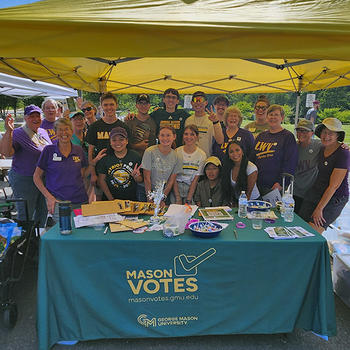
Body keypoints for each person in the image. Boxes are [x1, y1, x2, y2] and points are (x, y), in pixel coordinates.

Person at [33, 118, 96, 222]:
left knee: (80, 232)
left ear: (71, 131)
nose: (64, 133)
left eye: (67, 129)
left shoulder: (78, 150)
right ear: (55, 132)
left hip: (79, 200)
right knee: (63, 231)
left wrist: (94, 163)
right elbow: (36, 177)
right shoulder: (48, 151)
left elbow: (83, 175)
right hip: (58, 202)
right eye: (60, 130)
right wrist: (49, 197)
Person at [0, 105, 51, 226]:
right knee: (26, 214)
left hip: (43, 179)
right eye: (31, 116)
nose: (35, 119)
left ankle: (37, 241)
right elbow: (6, 152)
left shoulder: (43, 131)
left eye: (37, 116)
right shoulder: (18, 133)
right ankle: (23, 241)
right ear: (25, 118)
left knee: (43, 212)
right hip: (25, 179)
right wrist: (9, 131)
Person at [300, 118, 349, 234]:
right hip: (316, 192)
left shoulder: (343, 153)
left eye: (331, 133)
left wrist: (319, 209)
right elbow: (305, 144)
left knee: (311, 232)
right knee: (299, 224)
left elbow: (334, 186)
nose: (326, 136)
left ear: (338, 136)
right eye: (324, 132)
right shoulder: (321, 147)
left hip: (334, 197)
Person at [87, 92, 129, 197]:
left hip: (119, 172)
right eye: (105, 105)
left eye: (111, 104)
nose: (109, 107)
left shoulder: (123, 126)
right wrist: (92, 173)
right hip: (100, 171)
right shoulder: (95, 127)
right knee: (101, 203)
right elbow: (90, 152)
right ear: (101, 107)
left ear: (116, 105)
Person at [250, 104, 298, 195]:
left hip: (275, 186)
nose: (273, 117)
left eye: (276, 115)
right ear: (267, 117)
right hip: (257, 184)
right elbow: (252, 159)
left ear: (282, 117)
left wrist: (280, 183)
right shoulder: (261, 136)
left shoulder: (287, 136)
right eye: (270, 115)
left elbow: (291, 162)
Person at [97, 127, 143, 201]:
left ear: (127, 141)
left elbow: (140, 180)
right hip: (109, 199)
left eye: (121, 139)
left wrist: (136, 177)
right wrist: (111, 199)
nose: (117, 143)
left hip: (130, 199)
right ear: (110, 142)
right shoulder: (105, 157)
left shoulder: (135, 156)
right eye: (114, 140)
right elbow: (101, 180)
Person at [142, 126, 182, 207]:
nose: (165, 138)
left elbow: (171, 180)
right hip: (146, 191)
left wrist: (162, 198)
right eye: (162, 135)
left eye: (168, 135)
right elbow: (147, 178)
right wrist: (149, 198)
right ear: (158, 137)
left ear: (174, 137)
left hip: (163, 194)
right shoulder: (149, 152)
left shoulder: (177, 156)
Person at [172, 125, 206, 204]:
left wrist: (189, 199)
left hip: (191, 188)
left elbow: (196, 179)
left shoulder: (202, 155)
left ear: (197, 137)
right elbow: (173, 176)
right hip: (176, 187)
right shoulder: (177, 152)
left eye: (192, 134)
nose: (188, 137)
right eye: (186, 134)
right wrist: (177, 197)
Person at [293, 119, 322, 214]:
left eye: (305, 131)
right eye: (299, 130)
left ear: (312, 133)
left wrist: (343, 146)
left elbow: (335, 148)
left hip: (310, 194)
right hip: (295, 192)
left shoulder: (318, 146)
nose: (301, 133)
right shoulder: (293, 147)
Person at [185, 91, 224, 157]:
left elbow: (220, 141)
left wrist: (216, 122)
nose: (198, 103)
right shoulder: (188, 121)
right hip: (189, 159)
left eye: (201, 100)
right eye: (195, 100)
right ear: (191, 103)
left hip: (206, 160)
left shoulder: (212, 120)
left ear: (206, 103)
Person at [222, 140, 260, 206]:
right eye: (231, 152)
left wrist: (240, 208)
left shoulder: (251, 168)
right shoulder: (228, 167)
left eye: (237, 150)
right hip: (237, 202)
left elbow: (248, 194)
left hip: (252, 203)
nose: (235, 154)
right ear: (228, 155)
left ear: (242, 152)